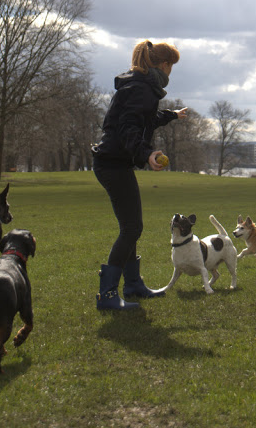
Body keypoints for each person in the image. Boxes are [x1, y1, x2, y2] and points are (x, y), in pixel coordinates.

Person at [92, 39, 188, 310]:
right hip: (113, 164)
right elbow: (128, 128)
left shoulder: (140, 85)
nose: (171, 73)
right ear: (164, 65)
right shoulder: (142, 89)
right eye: (172, 67)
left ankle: (133, 284)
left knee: (131, 227)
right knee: (132, 228)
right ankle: (108, 294)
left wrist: (171, 115)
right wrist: (146, 153)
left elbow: (145, 119)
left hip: (113, 163)